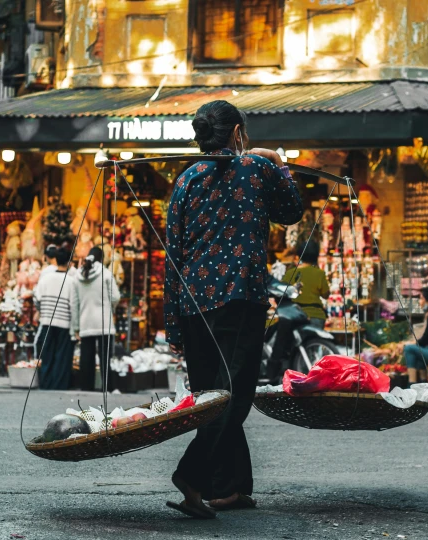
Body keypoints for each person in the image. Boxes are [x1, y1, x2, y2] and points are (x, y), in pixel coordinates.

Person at [164, 100, 303, 518]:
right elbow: (292, 211)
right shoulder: (257, 171)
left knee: (212, 397)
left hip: (193, 304)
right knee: (232, 399)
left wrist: (172, 324)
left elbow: (173, 255)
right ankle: (192, 476)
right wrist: (278, 161)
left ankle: (229, 488)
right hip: (239, 298)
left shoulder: (186, 179)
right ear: (238, 133)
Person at [267, 242, 330, 384]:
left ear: (298, 255)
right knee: (314, 352)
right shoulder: (319, 273)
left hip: (293, 316)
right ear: (316, 256)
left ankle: (291, 377)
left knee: (291, 349)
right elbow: (325, 294)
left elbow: (281, 293)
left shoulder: (290, 273)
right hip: (316, 315)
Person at [70, 246, 120, 392]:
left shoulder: (77, 277)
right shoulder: (106, 273)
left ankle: (86, 386)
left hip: (86, 322)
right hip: (104, 321)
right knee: (105, 358)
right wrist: (111, 307)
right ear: (101, 258)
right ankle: (108, 387)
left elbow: (74, 304)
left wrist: (75, 327)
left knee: (86, 357)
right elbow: (115, 297)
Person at [34, 245, 75, 390]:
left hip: (47, 321)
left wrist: (43, 311)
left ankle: (46, 383)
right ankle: (59, 384)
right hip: (64, 323)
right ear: (69, 263)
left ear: (56, 260)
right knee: (61, 356)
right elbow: (73, 305)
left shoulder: (46, 279)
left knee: (47, 354)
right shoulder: (71, 281)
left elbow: (37, 299)